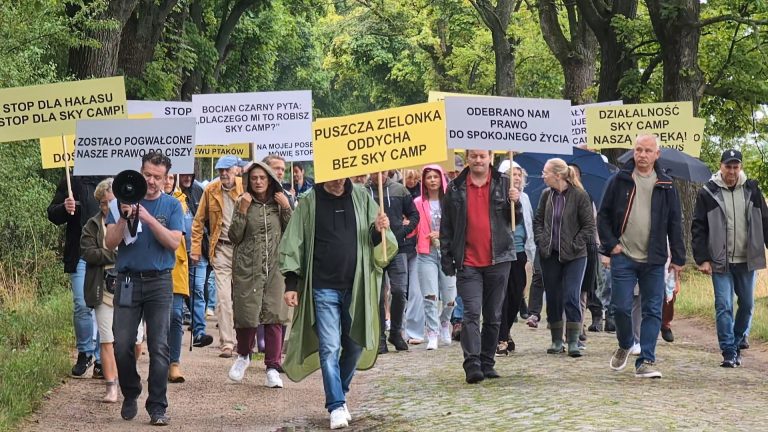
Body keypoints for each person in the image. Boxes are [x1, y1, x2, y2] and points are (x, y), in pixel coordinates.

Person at [279, 177, 396, 429]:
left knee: (354, 344)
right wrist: (291, 284)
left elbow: (379, 244)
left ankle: (339, 393)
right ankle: (335, 405)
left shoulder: (363, 196)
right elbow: (294, 242)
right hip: (323, 288)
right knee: (329, 347)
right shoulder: (309, 201)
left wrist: (379, 229)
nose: (336, 180)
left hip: (356, 286)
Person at [105, 152, 184, 425]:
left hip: (160, 281)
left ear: (165, 179)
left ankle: (157, 406)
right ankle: (131, 391)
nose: (151, 181)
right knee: (122, 343)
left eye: (157, 177)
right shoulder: (120, 199)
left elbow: (174, 242)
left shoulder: (172, 206)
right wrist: (124, 217)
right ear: (140, 172)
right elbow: (109, 243)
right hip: (127, 281)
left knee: (159, 346)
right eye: (147, 175)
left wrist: (148, 218)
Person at [598, 135, 685, 379]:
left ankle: (646, 360)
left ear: (657, 154)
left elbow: (675, 223)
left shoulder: (666, 184)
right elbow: (603, 216)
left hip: (654, 259)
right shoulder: (619, 180)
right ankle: (626, 343)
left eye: (648, 150)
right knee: (622, 307)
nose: (643, 155)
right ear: (633, 153)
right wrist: (610, 245)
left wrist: (678, 257)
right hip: (623, 255)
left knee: (652, 310)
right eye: (638, 150)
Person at [440, 150, 520, 383]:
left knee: (494, 315)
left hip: (499, 258)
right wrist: (447, 257)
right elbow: (447, 225)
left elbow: (516, 220)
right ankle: (472, 362)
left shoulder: (503, 184)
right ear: (467, 158)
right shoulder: (455, 187)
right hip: (468, 261)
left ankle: (487, 361)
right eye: (473, 156)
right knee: (471, 313)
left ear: (490, 158)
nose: (478, 160)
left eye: (482, 156)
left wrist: (514, 203)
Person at [691, 149, 768, 367]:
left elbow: (765, 220)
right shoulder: (708, 192)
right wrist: (702, 259)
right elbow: (698, 228)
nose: (732, 171)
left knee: (747, 305)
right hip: (720, 260)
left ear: (740, 167)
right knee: (724, 305)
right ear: (721, 166)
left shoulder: (752, 190)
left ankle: (738, 338)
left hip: (747, 259)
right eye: (728, 167)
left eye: (735, 167)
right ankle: (728, 350)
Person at [227, 162, 292, 387]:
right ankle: (243, 355)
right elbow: (234, 236)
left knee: (274, 314)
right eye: (254, 178)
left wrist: (286, 208)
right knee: (247, 313)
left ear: (270, 179)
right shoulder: (242, 202)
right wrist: (243, 211)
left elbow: (292, 233)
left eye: (262, 178)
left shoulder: (280, 202)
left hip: (275, 266)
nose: (258, 182)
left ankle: (273, 367)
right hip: (249, 266)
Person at [534, 158, 595, 357]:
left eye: (545, 172)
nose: (543, 176)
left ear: (557, 175)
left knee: (571, 296)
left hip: (575, 256)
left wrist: (574, 245)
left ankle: (574, 341)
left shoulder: (580, 195)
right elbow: (538, 221)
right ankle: (556, 340)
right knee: (553, 297)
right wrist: (542, 241)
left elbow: (588, 227)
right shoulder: (546, 196)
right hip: (550, 254)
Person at [48, 173, 106, 378]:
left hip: (106, 253)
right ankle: (85, 353)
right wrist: (65, 208)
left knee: (103, 306)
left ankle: (102, 359)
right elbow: (52, 213)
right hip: (80, 253)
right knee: (82, 304)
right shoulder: (70, 180)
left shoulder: (112, 177)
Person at [191, 154, 244, 358]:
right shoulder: (210, 190)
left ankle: (243, 340)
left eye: (227, 170)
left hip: (243, 250)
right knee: (223, 298)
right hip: (220, 248)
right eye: (220, 170)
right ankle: (227, 342)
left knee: (242, 298)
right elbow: (198, 222)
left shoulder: (245, 188)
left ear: (236, 170)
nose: (223, 174)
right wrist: (196, 248)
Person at [366, 172, 420, 352]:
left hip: (398, 249)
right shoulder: (363, 192)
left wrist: (404, 232)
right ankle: (380, 335)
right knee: (378, 294)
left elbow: (414, 214)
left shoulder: (399, 189)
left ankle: (395, 332)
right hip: (373, 248)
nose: (378, 174)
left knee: (399, 290)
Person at [80, 178, 118, 402]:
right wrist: (113, 256)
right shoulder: (92, 225)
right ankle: (111, 385)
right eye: (103, 203)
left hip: (127, 285)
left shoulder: (129, 221)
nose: (107, 206)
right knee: (106, 338)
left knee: (132, 341)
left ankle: (125, 378)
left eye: (111, 201)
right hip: (101, 286)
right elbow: (88, 252)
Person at [412, 165, 456, 350]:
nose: (432, 180)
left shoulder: (451, 201)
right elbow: (413, 225)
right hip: (426, 253)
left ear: (441, 179)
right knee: (429, 296)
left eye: (435, 177)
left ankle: (444, 322)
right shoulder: (417, 202)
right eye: (428, 177)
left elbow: (458, 226)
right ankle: (432, 332)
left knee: (450, 298)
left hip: (447, 253)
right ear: (424, 181)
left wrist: (443, 234)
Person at [496, 161, 535, 355]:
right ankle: (500, 337)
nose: (517, 177)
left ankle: (506, 330)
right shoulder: (497, 195)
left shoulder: (525, 198)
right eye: (513, 174)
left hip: (520, 251)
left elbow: (528, 223)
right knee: (501, 296)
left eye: (519, 174)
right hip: (503, 251)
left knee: (516, 294)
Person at [178, 172, 217, 336]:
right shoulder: (171, 191)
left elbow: (207, 220)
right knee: (180, 292)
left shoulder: (199, 190)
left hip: (198, 251)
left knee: (198, 290)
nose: (187, 178)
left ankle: (199, 329)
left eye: (190, 175)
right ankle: (176, 325)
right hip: (176, 253)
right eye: (184, 175)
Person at [163, 175, 192, 383]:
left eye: (170, 178)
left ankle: (174, 363)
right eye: (163, 177)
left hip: (176, 265)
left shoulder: (181, 201)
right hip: (151, 264)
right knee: (157, 318)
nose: (166, 181)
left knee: (175, 315)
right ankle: (160, 361)